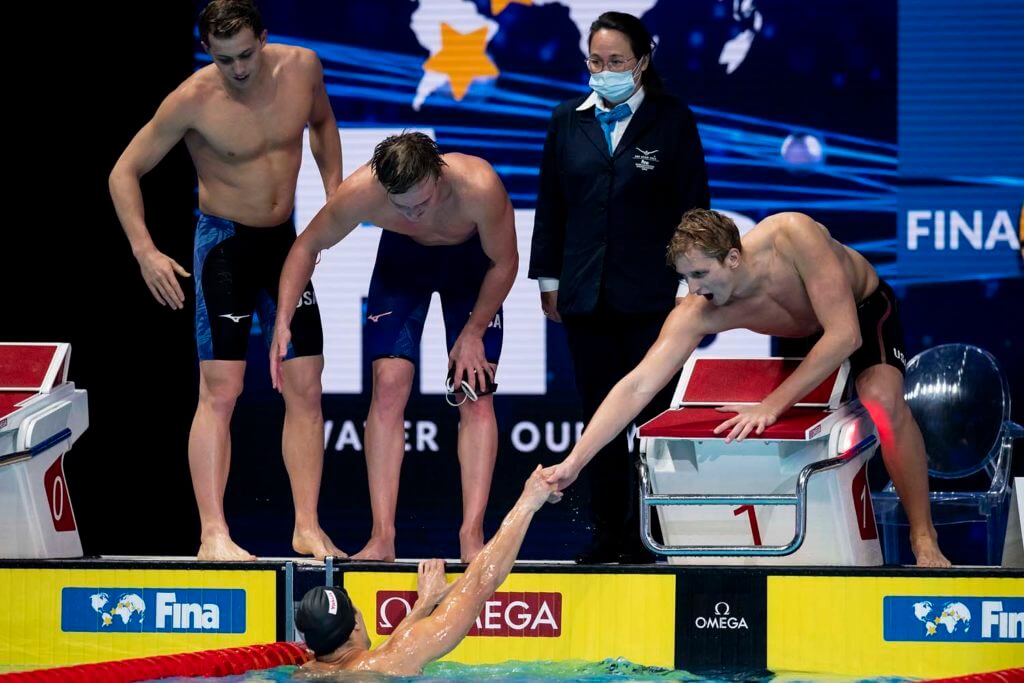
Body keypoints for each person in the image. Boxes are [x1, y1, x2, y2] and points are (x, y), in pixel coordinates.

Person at [543, 209, 950, 567]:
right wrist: (574, 462)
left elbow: (844, 336)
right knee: (793, 437)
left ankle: (923, 535)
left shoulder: (793, 236)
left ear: (733, 258)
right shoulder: (698, 311)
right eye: (685, 278)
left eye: (701, 274)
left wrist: (772, 404)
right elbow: (637, 385)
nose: (694, 289)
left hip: (860, 310)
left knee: (881, 399)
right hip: (804, 333)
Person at [108, 0, 344, 561]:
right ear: (207, 52)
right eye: (223, 59)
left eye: (244, 54)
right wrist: (145, 251)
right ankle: (213, 532)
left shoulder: (304, 68)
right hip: (225, 247)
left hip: (283, 243)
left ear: (263, 38)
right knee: (221, 391)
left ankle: (306, 526)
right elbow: (124, 171)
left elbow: (323, 124)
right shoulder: (193, 100)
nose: (237, 69)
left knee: (306, 384)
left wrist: (334, 198)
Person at [272, 133, 517, 563]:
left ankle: (471, 535)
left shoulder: (479, 186)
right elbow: (306, 245)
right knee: (388, 384)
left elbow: (506, 262)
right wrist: (282, 319)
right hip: (402, 268)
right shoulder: (364, 190)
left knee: (474, 392)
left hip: (472, 272)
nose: (413, 215)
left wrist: (475, 331)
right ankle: (382, 537)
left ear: (437, 173)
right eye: (400, 207)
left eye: (420, 205)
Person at [529, 11, 709, 564]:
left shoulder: (672, 121)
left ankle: (663, 533)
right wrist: (550, 280)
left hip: (654, 299)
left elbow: (694, 208)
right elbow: (551, 206)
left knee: (654, 421)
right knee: (601, 418)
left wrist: (691, 288)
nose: (603, 71)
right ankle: (611, 535)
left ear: (642, 63)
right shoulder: (566, 121)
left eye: (616, 63)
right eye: (596, 62)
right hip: (585, 297)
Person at [293, 467, 561, 677]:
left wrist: (424, 604)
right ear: (354, 627)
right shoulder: (389, 661)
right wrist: (528, 503)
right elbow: (481, 581)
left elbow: (382, 654)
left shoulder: (305, 672)